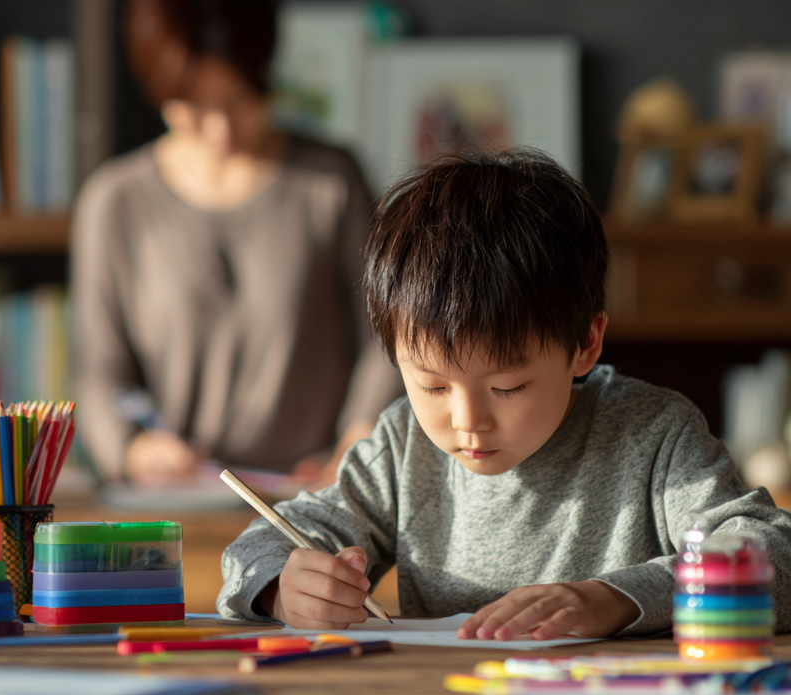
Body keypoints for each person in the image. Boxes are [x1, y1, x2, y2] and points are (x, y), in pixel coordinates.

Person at [217, 148, 791, 638]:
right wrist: (282, 587)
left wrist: (616, 598)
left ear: (586, 343)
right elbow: (261, 545)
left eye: (507, 386)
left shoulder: (655, 435)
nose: (468, 420)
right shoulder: (401, 447)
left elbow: (772, 553)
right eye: (432, 385)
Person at [72, 0, 402, 485]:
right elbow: (100, 373)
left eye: (240, 99)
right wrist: (134, 449)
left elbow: (388, 337)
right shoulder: (115, 203)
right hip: (178, 502)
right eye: (193, 105)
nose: (220, 128)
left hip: (314, 497)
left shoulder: (331, 182)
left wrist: (358, 440)